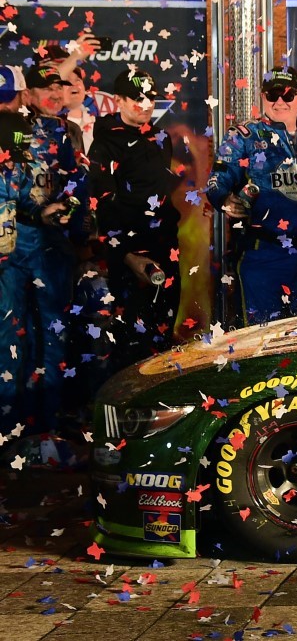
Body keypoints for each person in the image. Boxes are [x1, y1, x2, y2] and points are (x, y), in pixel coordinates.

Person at [4, 63, 88, 438]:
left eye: (60, 87)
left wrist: (68, 210)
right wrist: (34, 210)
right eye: (45, 88)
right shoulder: (7, 130)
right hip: (9, 250)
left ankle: (48, 429)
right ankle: (9, 431)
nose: (54, 94)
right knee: (8, 337)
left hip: (51, 247)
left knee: (53, 338)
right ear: (28, 94)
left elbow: (77, 184)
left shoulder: (60, 131)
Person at [87, 70, 182, 370]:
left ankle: (162, 410)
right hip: (128, 252)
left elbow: (160, 194)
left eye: (150, 98)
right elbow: (103, 207)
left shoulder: (161, 138)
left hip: (165, 248)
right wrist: (126, 256)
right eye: (136, 98)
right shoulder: (104, 146)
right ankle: (129, 413)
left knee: (163, 336)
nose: (144, 104)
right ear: (119, 101)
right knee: (130, 341)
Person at [206, 68, 297, 325]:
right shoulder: (243, 135)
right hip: (262, 254)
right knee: (262, 341)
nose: (280, 101)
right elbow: (215, 181)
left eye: (287, 94)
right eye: (273, 94)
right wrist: (224, 200)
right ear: (261, 96)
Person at [0, 109, 41, 431]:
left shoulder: (14, 171)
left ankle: (9, 425)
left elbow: (30, 203)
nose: (16, 162)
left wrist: (55, 209)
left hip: (6, 269)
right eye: (11, 154)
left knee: (12, 339)